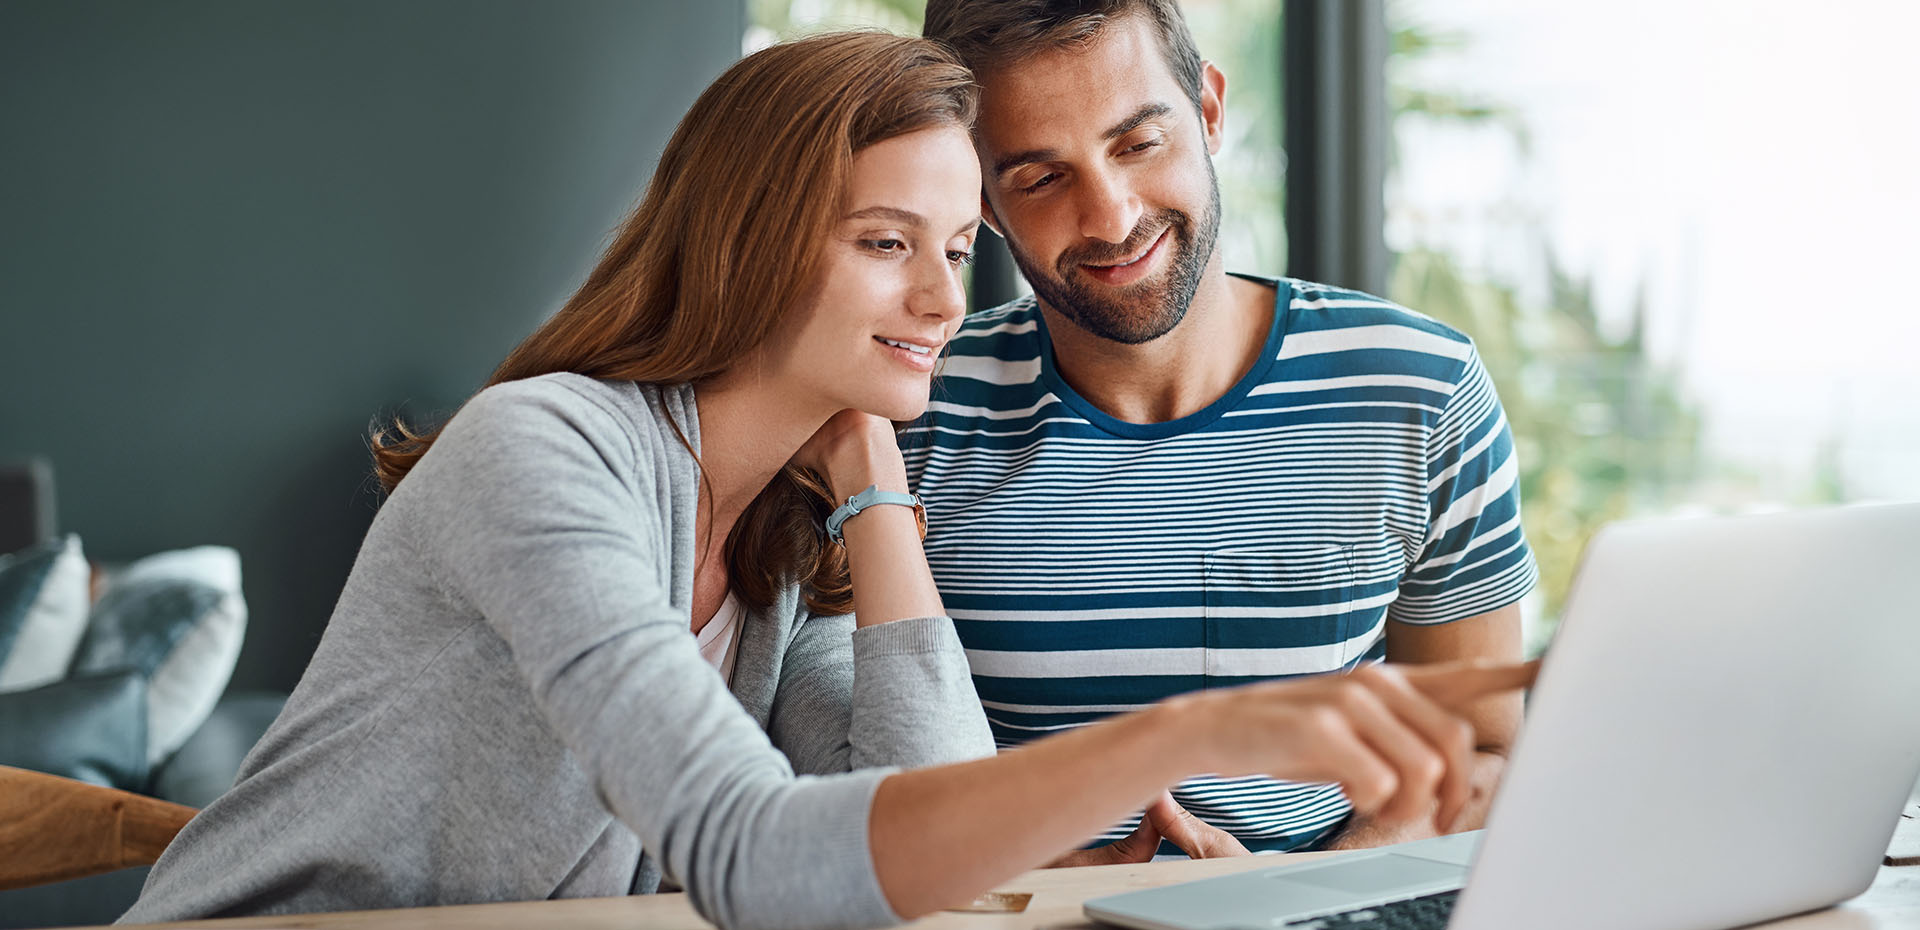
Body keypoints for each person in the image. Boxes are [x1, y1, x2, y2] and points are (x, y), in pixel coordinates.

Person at [121, 31, 1534, 930]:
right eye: (882, 242)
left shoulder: (782, 538)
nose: (941, 295)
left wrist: (866, 458)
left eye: (956, 243)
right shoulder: (542, 452)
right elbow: (753, 853)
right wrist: (1186, 732)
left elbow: (923, 831)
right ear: (744, 241)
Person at [910, 0, 1540, 862]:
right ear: (980, 197)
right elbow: (844, 775)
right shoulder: (912, 410)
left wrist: (1292, 902)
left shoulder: (1420, 387)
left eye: (1139, 143)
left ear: (1207, 108)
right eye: (1041, 177)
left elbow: (1483, 748)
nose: (1110, 217)